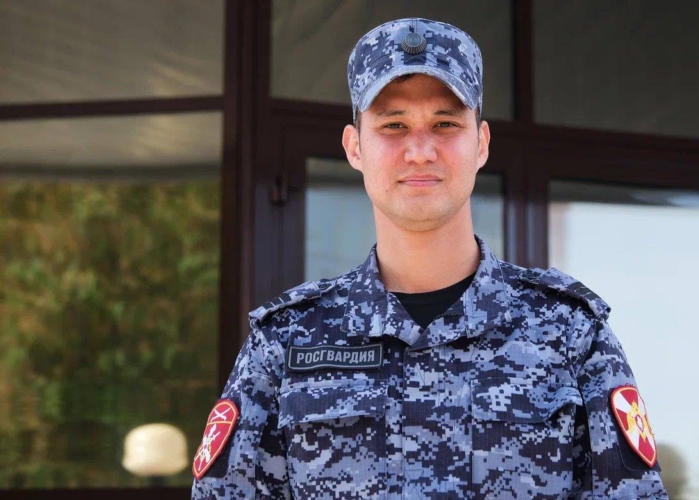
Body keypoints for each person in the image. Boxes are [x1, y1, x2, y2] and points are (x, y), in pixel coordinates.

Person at [191, 17, 668, 499]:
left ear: (480, 143)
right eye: (393, 125)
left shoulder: (569, 332)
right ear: (355, 147)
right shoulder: (285, 341)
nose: (420, 151)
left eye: (445, 124)